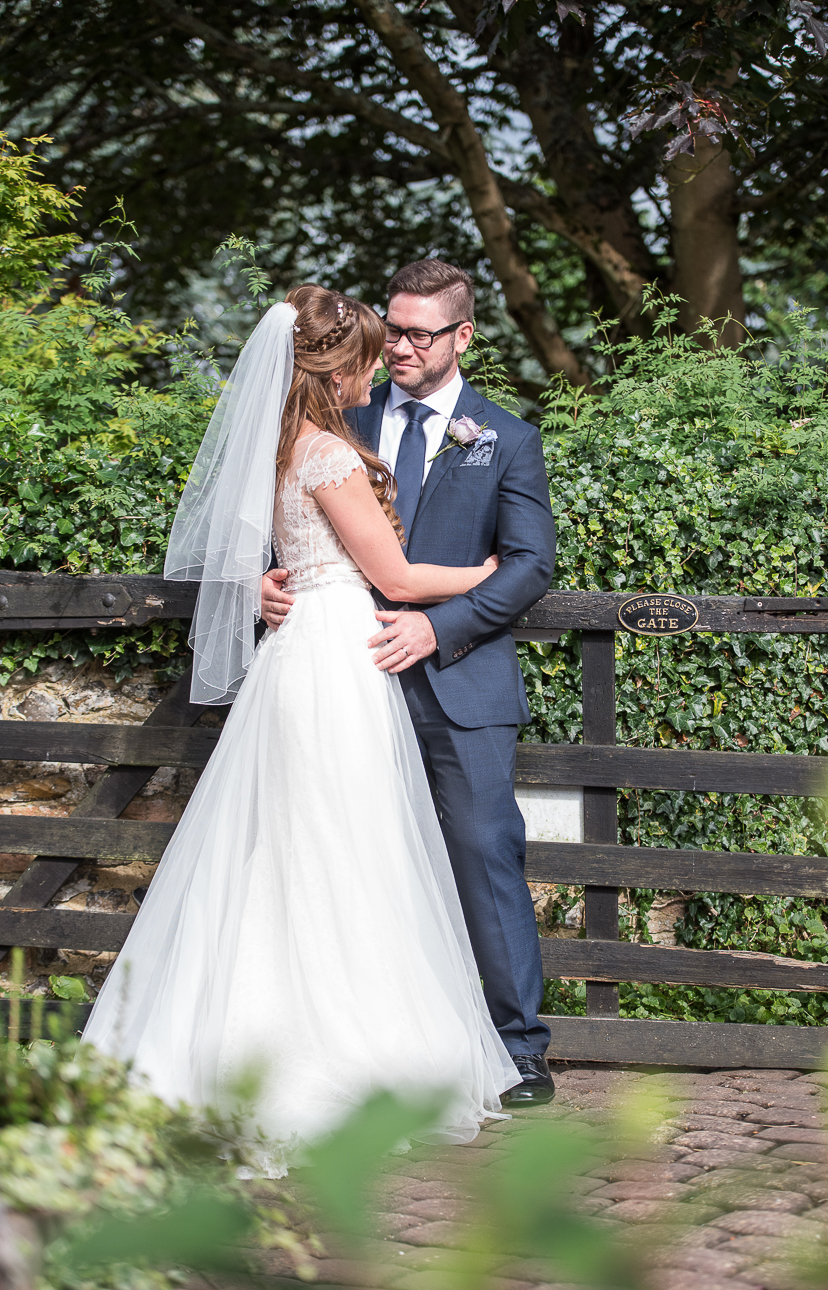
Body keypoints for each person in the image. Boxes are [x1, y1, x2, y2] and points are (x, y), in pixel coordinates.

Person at [82, 284, 521, 1166]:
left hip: (303, 661)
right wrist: (487, 573)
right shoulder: (327, 454)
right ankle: (324, 1052)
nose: (379, 367)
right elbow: (393, 578)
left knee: (285, 851)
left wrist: (261, 583)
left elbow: (263, 553)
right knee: (341, 848)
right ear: (336, 367)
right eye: (367, 354)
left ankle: (243, 1042)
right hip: (331, 665)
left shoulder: (283, 448)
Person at [262, 261, 557, 1106]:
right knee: (346, 859)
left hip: (458, 683)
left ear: (464, 336)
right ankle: (366, 1046)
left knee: (481, 854)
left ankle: (516, 1052)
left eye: (420, 332)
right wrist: (259, 582)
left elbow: (531, 563)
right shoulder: (334, 412)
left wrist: (439, 625)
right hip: (342, 677)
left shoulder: (506, 436)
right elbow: (270, 521)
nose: (399, 345)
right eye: (392, 327)